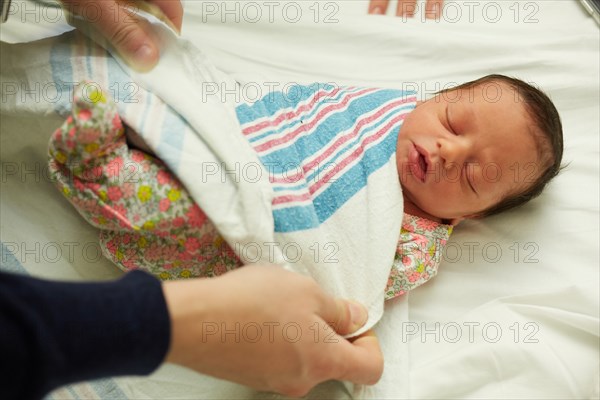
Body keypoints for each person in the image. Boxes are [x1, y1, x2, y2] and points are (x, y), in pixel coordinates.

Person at [0, 1, 385, 399]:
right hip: (235, 187)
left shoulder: (413, 229)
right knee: (165, 179)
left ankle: (101, 164)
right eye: (449, 121)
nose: (448, 150)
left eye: (459, 176)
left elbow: (367, 279)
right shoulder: (372, 116)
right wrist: (180, 326)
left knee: (169, 215)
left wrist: (359, 316)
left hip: (217, 258)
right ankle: (101, 156)